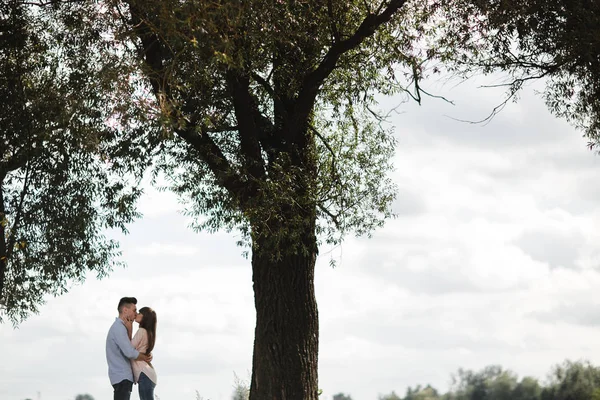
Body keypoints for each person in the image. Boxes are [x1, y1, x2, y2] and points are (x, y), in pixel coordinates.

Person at [106, 297, 152, 400]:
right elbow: (130, 352)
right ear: (125, 310)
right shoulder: (119, 328)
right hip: (122, 377)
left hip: (121, 377)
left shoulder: (121, 327)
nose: (136, 313)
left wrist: (130, 329)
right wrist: (145, 357)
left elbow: (128, 346)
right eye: (134, 310)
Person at [131, 307, 158, 400]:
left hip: (145, 374)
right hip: (148, 374)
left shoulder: (142, 331)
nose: (136, 314)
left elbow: (128, 348)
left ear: (144, 317)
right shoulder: (148, 333)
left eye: (139, 313)